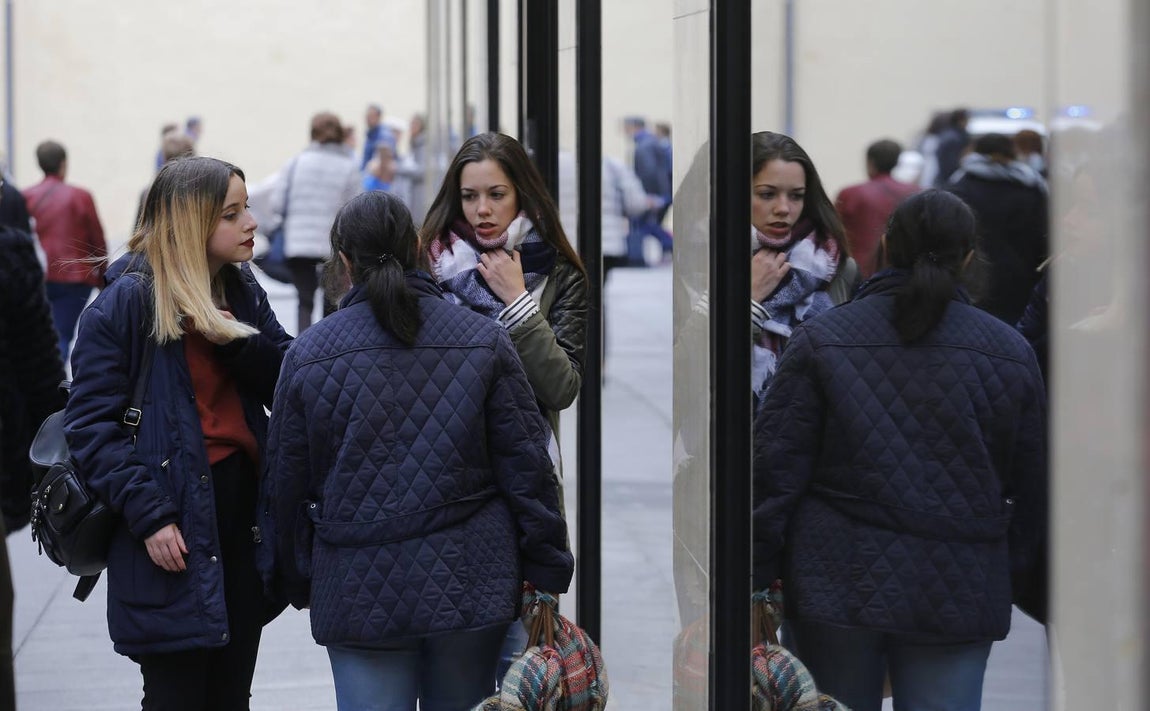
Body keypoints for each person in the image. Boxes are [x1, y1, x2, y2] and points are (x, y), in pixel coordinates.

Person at [265, 191, 572, 711]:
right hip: (470, 581)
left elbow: (286, 484)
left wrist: (294, 577)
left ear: (344, 261)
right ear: (416, 247)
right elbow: (527, 465)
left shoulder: (310, 354)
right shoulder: (482, 340)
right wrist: (546, 566)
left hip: (358, 587)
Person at [752, 190, 1048, 711]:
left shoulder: (824, 339)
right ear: (969, 258)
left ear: (886, 244)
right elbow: (1032, 486)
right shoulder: (1008, 351)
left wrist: (757, 576)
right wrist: (1005, 572)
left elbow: (776, 471)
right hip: (957, 586)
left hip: (834, 581)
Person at [63, 156, 292, 710]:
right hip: (168, 531)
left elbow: (287, 378)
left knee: (231, 694)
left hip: (240, 524)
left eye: (246, 209)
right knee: (176, 695)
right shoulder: (125, 304)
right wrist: (149, 514)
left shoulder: (237, 290)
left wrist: (233, 340)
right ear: (191, 223)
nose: (251, 223)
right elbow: (90, 426)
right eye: (231, 214)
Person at [421, 131, 587, 679]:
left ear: (523, 196)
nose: (482, 210)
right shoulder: (427, 269)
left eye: (496, 194)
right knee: (456, 670)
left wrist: (517, 303)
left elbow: (562, 386)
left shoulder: (559, 272)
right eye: (470, 197)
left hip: (524, 485)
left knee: (523, 667)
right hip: (439, 479)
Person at [748, 131, 852, 408]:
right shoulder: (707, 257)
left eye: (796, 196)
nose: (783, 208)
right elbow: (693, 356)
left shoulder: (831, 264)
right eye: (767, 194)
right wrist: (752, 297)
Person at [263, 112, 362, 333]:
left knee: (304, 300)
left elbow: (277, 203)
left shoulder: (296, 163)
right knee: (332, 301)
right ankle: (328, 347)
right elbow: (355, 208)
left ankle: (302, 346)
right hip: (333, 246)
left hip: (299, 243)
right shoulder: (348, 166)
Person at [947, 132, 1048, 325]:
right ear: (1012, 154)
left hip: (972, 277)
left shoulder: (959, 187)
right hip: (1019, 280)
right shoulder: (1031, 187)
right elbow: (1041, 239)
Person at [23, 140, 108, 360]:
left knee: (41, 333)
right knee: (61, 334)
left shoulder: (27, 196)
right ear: (63, 163)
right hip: (75, 277)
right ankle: (55, 388)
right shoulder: (81, 196)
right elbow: (96, 239)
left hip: (38, 275)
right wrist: (104, 278)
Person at [834, 139, 919, 280]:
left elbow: (833, 232)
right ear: (897, 162)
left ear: (870, 162)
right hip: (905, 274)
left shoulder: (850, 194)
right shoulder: (916, 193)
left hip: (858, 274)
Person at [623, 116, 673, 265]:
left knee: (646, 225)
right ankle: (667, 246)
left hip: (653, 193)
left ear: (634, 127)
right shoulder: (650, 143)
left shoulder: (644, 145)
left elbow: (649, 173)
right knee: (647, 225)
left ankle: (669, 244)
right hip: (660, 193)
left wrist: (648, 197)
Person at [933, 108, 970, 186]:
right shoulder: (955, 138)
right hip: (949, 176)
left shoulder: (947, 134)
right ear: (960, 121)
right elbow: (950, 162)